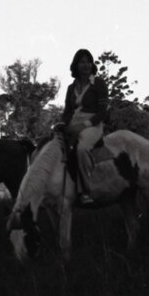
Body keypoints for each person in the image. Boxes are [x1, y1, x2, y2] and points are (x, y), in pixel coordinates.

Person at [59, 49, 110, 204]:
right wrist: (63, 124)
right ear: (76, 65)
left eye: (88, 61)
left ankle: (86, 191)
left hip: (92, 124)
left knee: (82, 149)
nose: (86, 65)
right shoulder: (70, 87)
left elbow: (102, 113)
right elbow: (68, 112)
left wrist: (84, 125)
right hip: (73, 123)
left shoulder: (99, 83)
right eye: (82, 62)